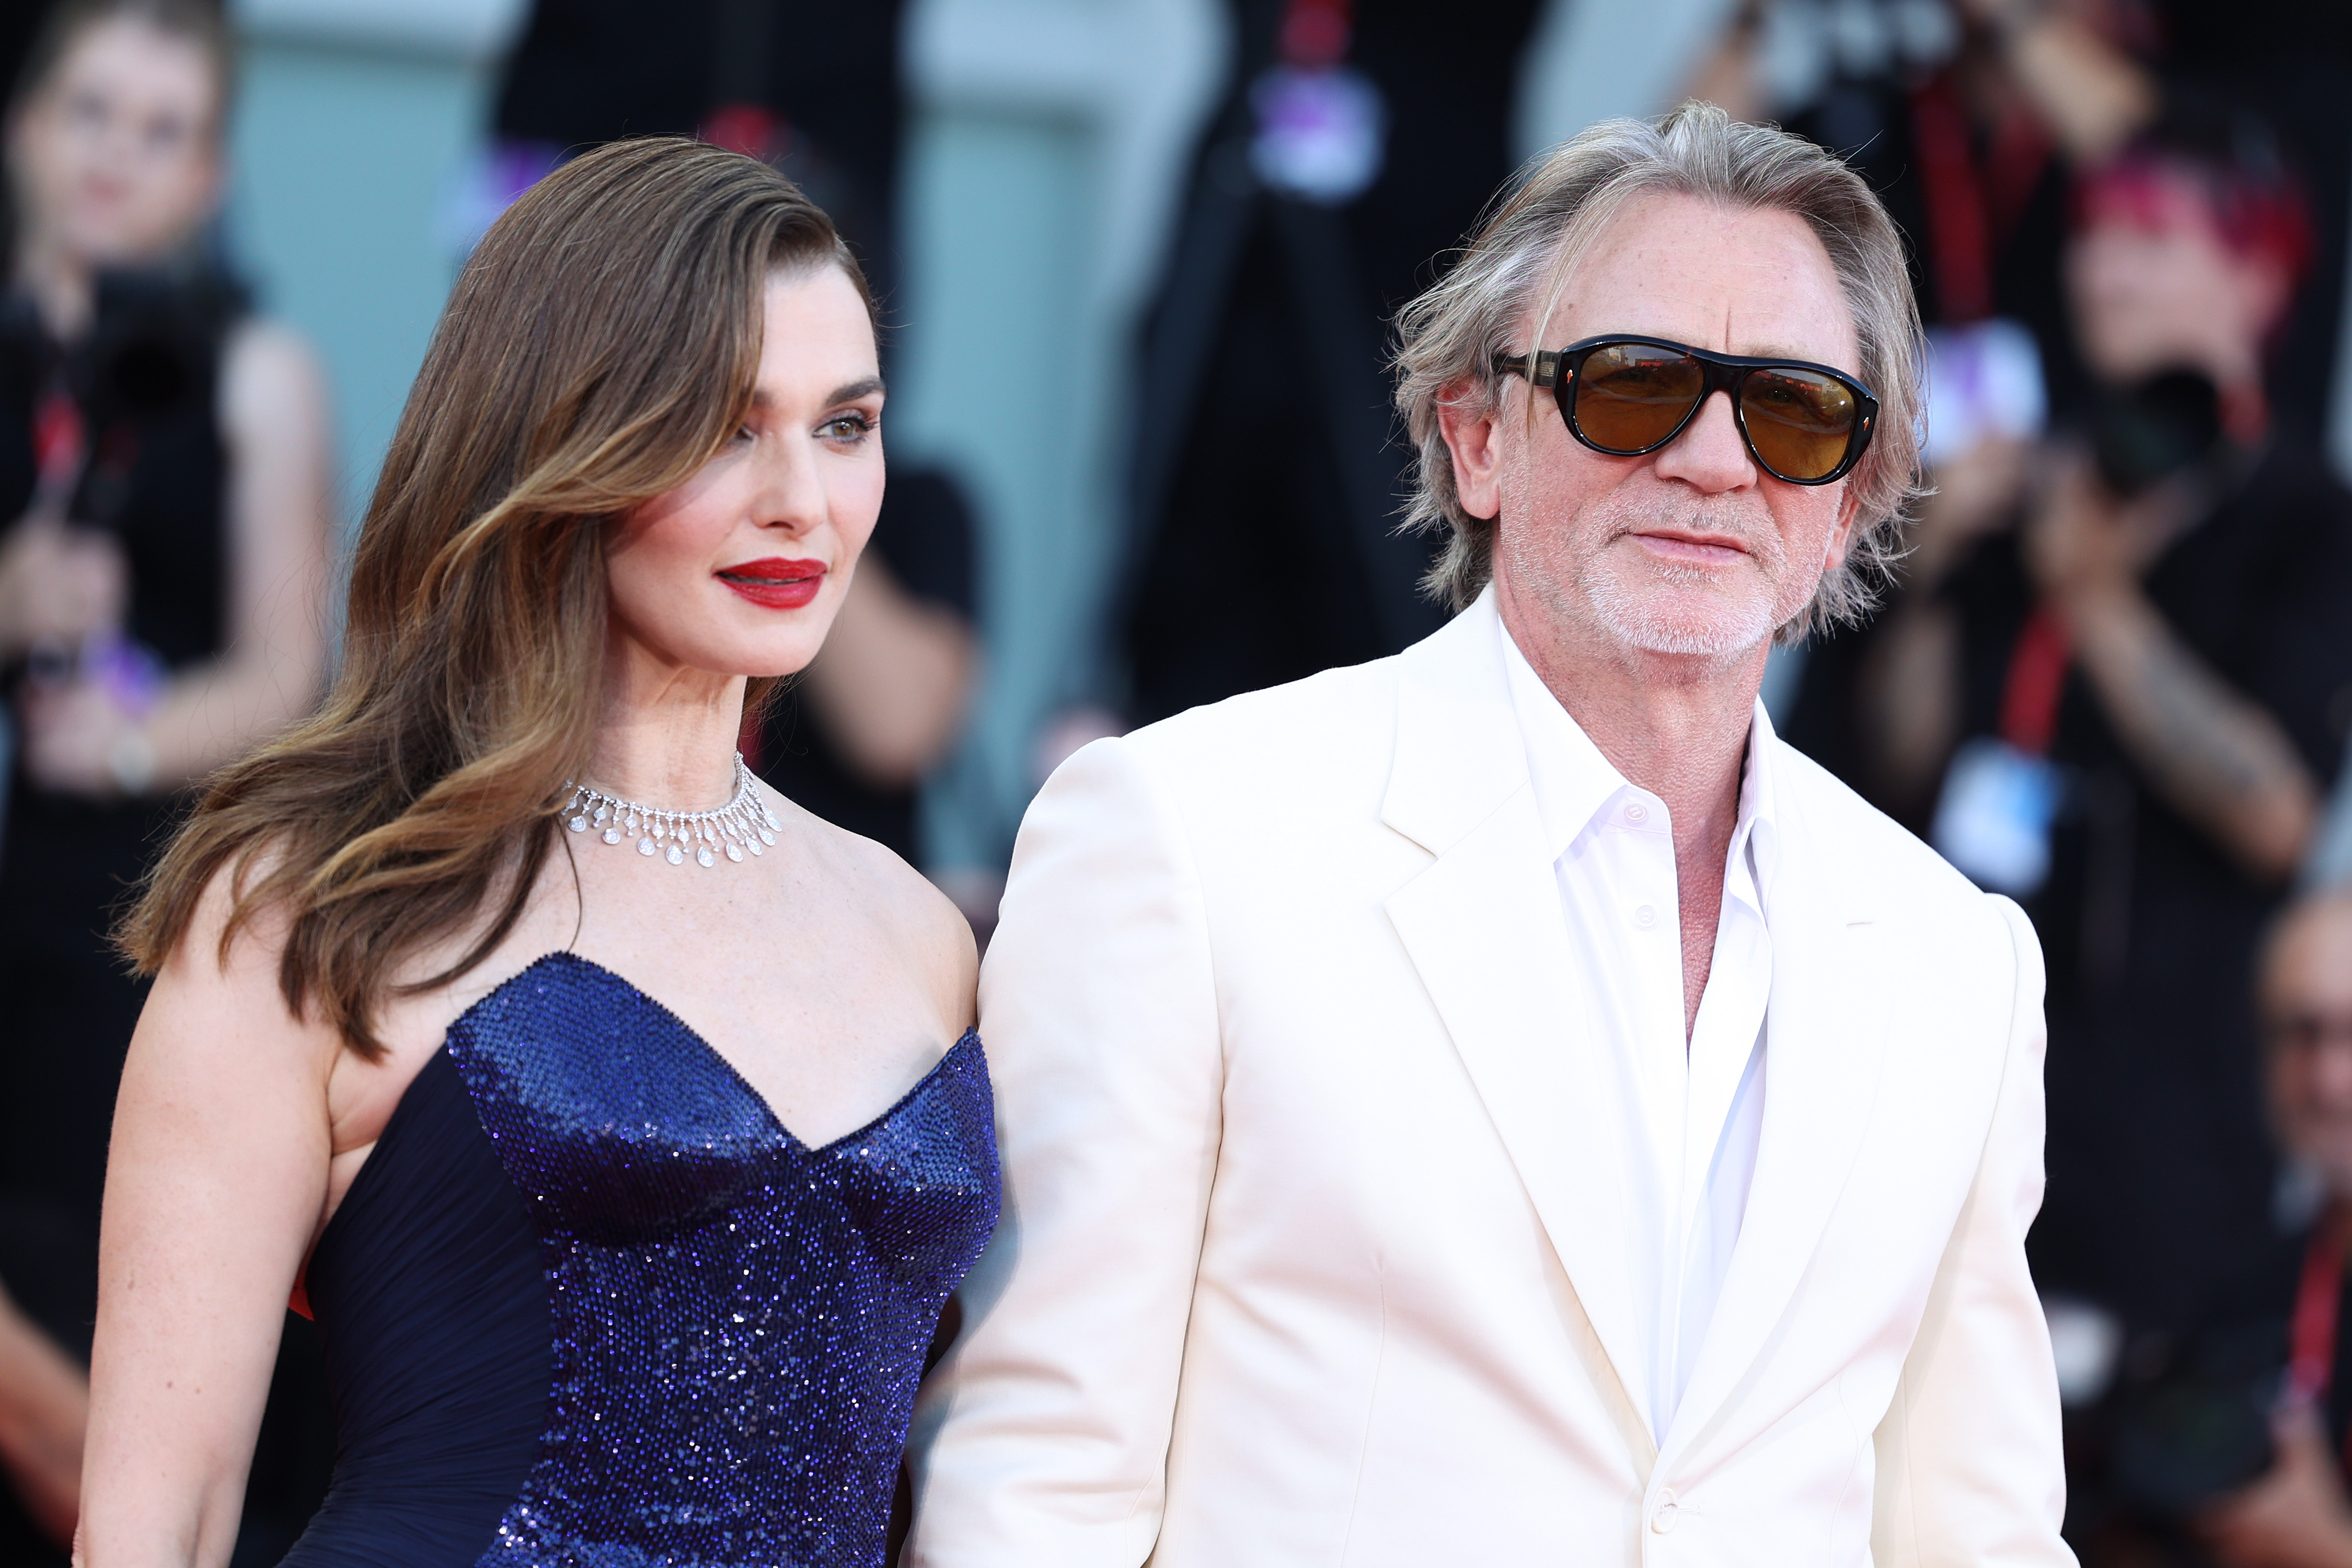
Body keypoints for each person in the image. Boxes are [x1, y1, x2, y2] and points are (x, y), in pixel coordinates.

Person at [908, 103, 2067, 1564]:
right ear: (1475, 438)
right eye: (1633, 384)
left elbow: (1976, 1533)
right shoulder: (1186, 841)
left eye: (1790, 410)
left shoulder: (1953, 963)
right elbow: (1040, 1484)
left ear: (1848, 502)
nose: (1714, 461)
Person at [77, 137, 998, 1566]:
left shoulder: (916, 930)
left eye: (843, 424)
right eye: (721, 423)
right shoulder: (312, 908)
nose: (801, 501)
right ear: (560, 438)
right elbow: (163, 1523)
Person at [0, 0, 333, 1555]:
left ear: (211, 173)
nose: (119, 157)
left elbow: (291, 677)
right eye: (93, 112)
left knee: (108, 1326)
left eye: (164, 129)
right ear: (24, 128)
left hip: (126, 918)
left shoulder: (255, 373)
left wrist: (128, 738)